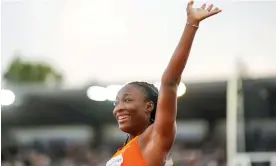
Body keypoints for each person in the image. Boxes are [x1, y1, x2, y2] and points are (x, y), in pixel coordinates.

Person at [106, 1, 221, 165]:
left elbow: (170, 82)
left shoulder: (155, 139)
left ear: (149, 106)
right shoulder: (123, 151)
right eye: (116, 103)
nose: (119, 108)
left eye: (128, 100)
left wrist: (191, 24)